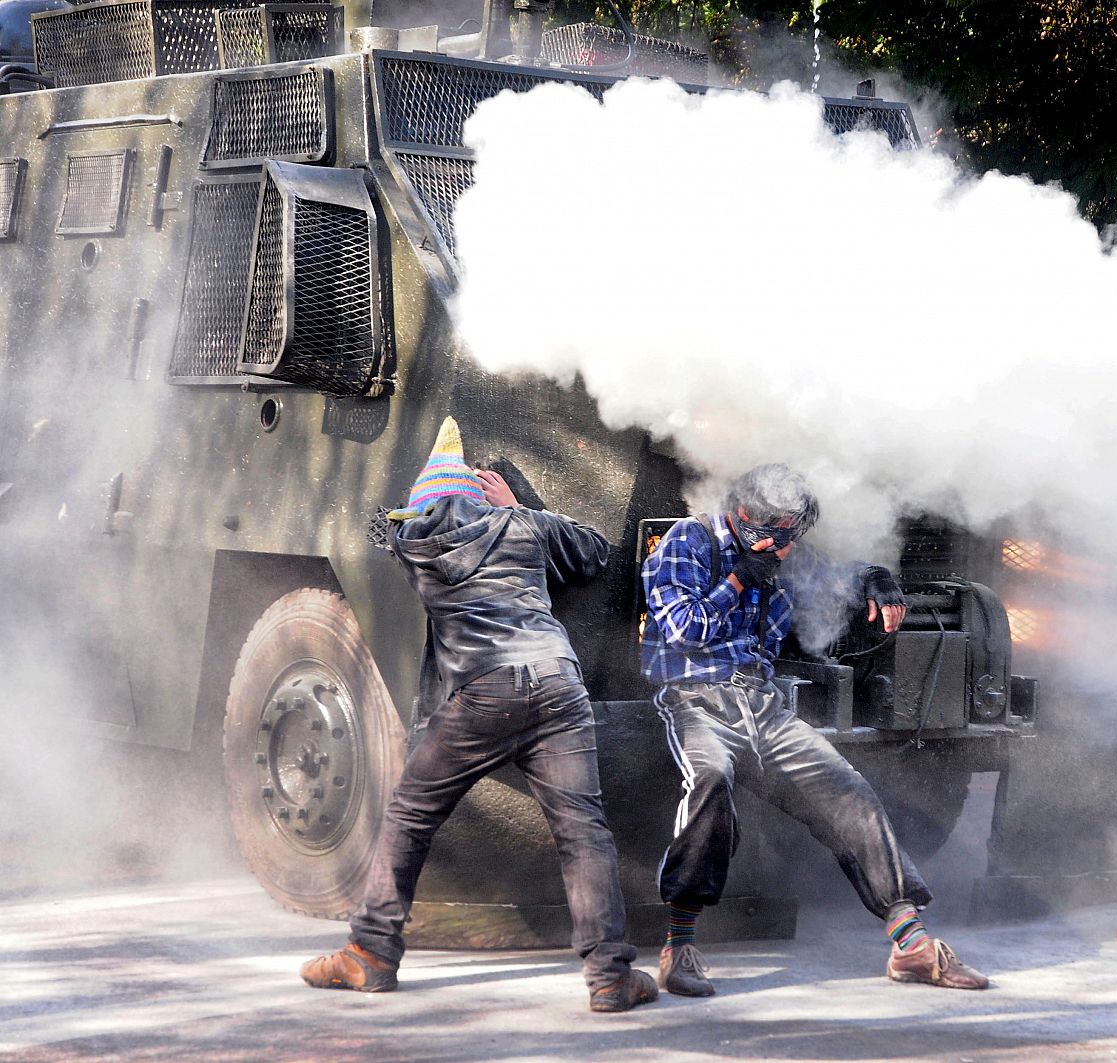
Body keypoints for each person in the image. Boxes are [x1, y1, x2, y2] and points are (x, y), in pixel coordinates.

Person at [301, 417, 657, 1013]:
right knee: (583, 830)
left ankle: (369, 955)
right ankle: (609, 974)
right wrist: (517, 505)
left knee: (411, 813)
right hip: (559, 683)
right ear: (475, 497)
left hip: (485, 692)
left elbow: (394, 524)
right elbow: (594, 554)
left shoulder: (413, 546)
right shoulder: (520, 526)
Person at [640, 463, 990, 997]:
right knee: (710, 782)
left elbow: (835, 578)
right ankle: (679, 944)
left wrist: (874, 577)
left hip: (764, 704)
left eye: (793, 534)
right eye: (776, 536)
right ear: (743, 516)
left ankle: (912, 943)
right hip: (696, 699)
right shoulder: (688, 541)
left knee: (848, 793)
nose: (785, 550)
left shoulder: (785, 555)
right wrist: (737, 581)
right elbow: (682, 628)